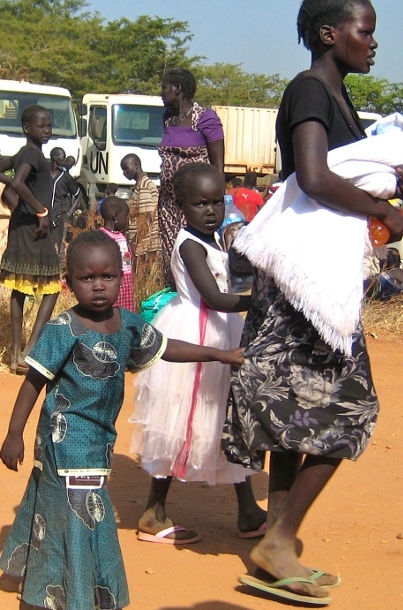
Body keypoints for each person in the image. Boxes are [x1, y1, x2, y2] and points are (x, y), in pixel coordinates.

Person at [221, 0, 403, 605]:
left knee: (293, 418)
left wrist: (400, 184)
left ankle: (276, 546)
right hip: (301, 288)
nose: (375, 41)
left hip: (310, 281)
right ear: (331, 34)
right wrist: (384, 206)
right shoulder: (308, 89)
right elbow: (312, 175)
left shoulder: (340, 100)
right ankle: (279, 537)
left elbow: (348, 171)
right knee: (351, 409)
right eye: (367, 30)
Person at [0, 229, 243, 610]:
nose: (98, 286)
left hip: (100, 438)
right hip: (67, 439)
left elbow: (164, 346)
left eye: (107, 277)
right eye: (87, 278)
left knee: (52, 501)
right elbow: (33, 381)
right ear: (69, 283)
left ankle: (31, 575)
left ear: (120, 277)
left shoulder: (128, 324)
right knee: (81, 510)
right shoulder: (63, 329)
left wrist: (218, 354)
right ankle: (70, 594)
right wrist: (14, 433)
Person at [130, 163, 265, 544]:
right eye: (200, 204)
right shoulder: (189, 245)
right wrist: (262, 302)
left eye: (216, 202)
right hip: (200, 333)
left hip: (220, 332)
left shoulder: (212, 240)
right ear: (181, 206)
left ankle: (248, 510)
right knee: (182, 420)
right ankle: (154, 511)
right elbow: (215, 297)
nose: (211, 211)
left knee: (225, 418)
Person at [0, 105, 61, 375]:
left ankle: (17, 355)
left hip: (24, 225)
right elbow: (18, 183)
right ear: (27, 128)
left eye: (49, 125)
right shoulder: (30, 153)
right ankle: (29, 349)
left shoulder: (28, 153)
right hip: (33, 227)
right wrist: (41, 211)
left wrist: (20, 206)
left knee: (21, 288)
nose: (47, 130)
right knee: (52, 285)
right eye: (41, 125)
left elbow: (11, 178)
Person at [158, 67, 225, 289]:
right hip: (168, 206)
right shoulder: (168, 118)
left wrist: (216, 200)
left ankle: (205, 298)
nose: (161, 93)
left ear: (177, 89)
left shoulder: (205, 119)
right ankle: (177, 298)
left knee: (195, 254)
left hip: (195, 205)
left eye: (164, 88)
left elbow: (217, 165)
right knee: (173, 259)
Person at [120, 153, 160, 274]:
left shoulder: (144, 185)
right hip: (143, 243)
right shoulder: (139, 185)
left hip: (145, 244)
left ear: (136, 165)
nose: (124, 173)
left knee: (143, 275)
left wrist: (136, 243)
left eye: (126, 168)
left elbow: (147, 218)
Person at [99, 196, 135, 312]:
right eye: (125, 216)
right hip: (112, 283)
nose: (127, 220)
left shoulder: (122, 236)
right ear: (115, 217)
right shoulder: (102, 237)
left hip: (126, 283)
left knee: (125, 314)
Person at [49, 147, 81, 251]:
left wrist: (69, 212)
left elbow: (78, 195)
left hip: (59, 217)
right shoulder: (44, 174)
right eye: (62, 158)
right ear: (55, 158)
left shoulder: (65, 176)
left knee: (59, 246)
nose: (64, 160)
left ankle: (60, 266)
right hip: (45, 215)